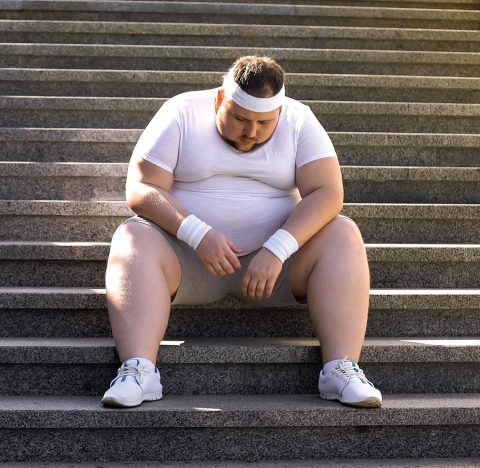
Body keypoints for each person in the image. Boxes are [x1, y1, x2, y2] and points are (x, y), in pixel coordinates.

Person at [101, 56, 382, 409]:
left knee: (343, 231)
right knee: (132, 235)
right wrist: (197, 233)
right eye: (240, 119)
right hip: (186, 262)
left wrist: (277, 248)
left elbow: (329, 193)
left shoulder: (299, 118)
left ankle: (341, 367)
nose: (251, 132)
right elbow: (141, 188)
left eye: (265, 123)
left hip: (275, 271)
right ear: (220, 100)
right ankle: (138, 369)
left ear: (279, 112)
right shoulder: (181, 111)